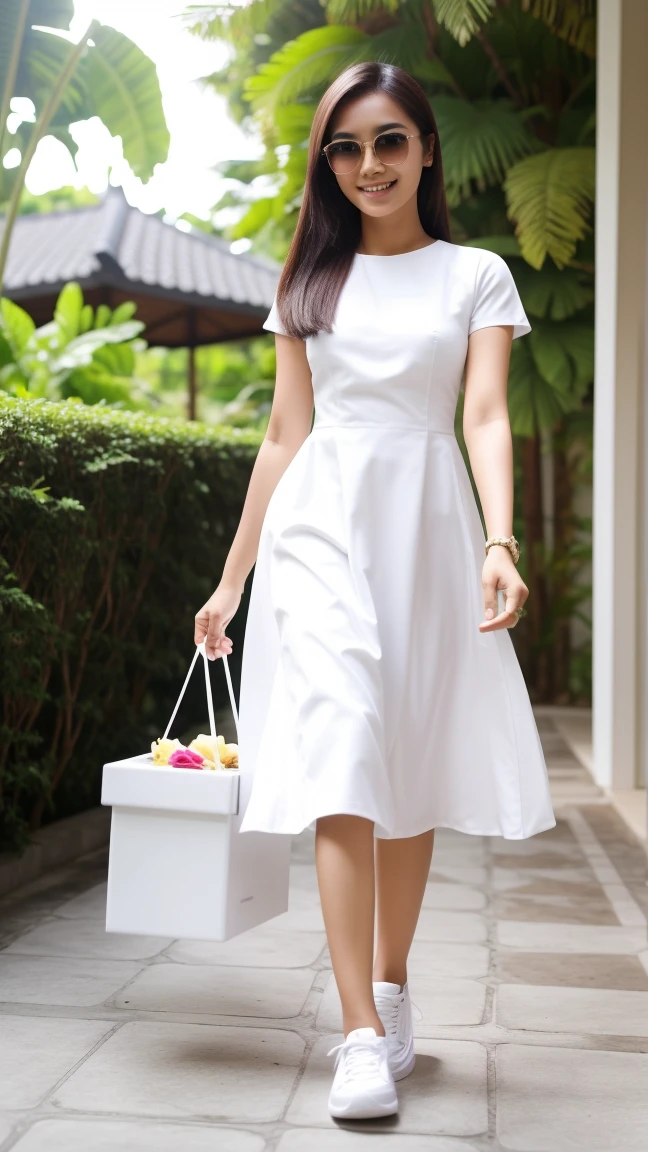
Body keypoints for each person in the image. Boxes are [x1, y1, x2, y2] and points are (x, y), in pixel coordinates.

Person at [194, 60, 555, 1121]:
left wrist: (503, 539)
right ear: (328, 164)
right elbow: (282, 435)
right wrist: (232, 578)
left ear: (427, 149)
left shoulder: (476, 274)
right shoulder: (308, 281)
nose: (368, 165)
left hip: (428, 525)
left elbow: (484, 415)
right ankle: (358, 1030)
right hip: (319, 525)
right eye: (345, 148)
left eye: (389, 140)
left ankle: (392, 985)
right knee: (343, 751)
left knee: (404, 759)